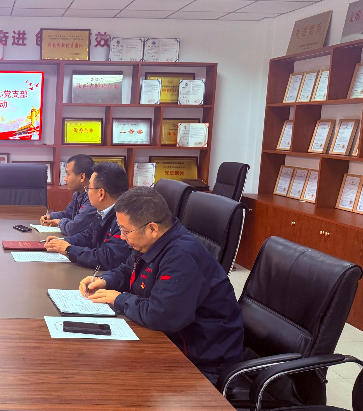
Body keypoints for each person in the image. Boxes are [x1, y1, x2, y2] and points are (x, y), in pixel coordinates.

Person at [79, 186, 243, 383]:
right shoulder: (152, 242)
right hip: (169, 339)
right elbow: (128, 268)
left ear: (152, 229)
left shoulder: (181, 257)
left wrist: (119, 299)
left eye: (125, 231)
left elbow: (161, 315)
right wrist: (106, 280)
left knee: (108, 377)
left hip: (201, 359)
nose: (122, 237)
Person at [45, 162, 130, 271]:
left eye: (89, 188)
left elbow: (110, 258)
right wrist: (64, 242)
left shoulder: (125, 218)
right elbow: (89, 236)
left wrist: (69, 250)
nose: (87, 192)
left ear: (101, 193)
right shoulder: (103, 212)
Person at [40, 154, 97, 236]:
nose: (65, 178)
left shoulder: (93, 198)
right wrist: (51, 216)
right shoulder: (78, 194)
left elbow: (73, 228)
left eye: (68, 174)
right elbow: (68, 214)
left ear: (82, 177)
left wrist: (59, 222)